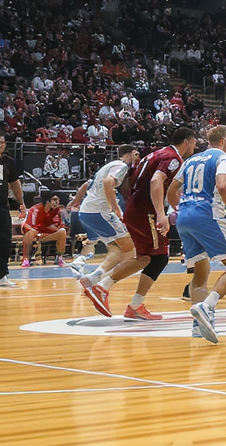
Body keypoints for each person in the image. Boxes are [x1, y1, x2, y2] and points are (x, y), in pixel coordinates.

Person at [79, 127, 197, 319]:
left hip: (135, 207)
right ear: (186, 142)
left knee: (145, 257)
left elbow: (132, 181)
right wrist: (160, 213)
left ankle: (126, 300)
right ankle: (104, 288)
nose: (195, 146)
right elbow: (156, 181)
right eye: (194, 143)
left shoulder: (154, 154)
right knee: (159, 257)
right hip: (146, 211)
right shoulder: (173, 159)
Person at [169, 126, 226, 344]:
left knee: (200, 272)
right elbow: (222, 185)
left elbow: (171, 190)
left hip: (184, 217)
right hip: (207, 214)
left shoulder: (190, 160)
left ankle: (198, 327)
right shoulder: (225, 158)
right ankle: (207, 307)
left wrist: (181, 209)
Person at [71, 145, 142, 279]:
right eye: (135, 154)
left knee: (117, 248)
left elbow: (87, 184)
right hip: (98, 212)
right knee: (130, 248)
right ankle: (98, 278)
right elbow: (108, 181)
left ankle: (83, 264)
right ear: (131, 153)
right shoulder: (122, 166)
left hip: (87, 211)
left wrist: (76, 201)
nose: (137, 157)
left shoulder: (110, 165)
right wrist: (115, 208)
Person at [0, 130, 26, 288]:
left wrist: (21, 202)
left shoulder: (8, 162)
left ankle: (1, 276)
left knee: (4, 240)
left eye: (2, 141)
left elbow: (14, 184)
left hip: (0, 207)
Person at [20, 192, 68, 267]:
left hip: (46, 234)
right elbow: (29, 225)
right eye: (54, 199)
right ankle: (25, 259)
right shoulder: (36, 209)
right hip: (34, 232)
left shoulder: (57, 210)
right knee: (31, 232)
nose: (57, 202)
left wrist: (56, 228)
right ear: (48, 200)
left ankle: (59, 257)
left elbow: (60, 225)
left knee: (62, 231)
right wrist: (48, 227)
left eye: (58, 200)